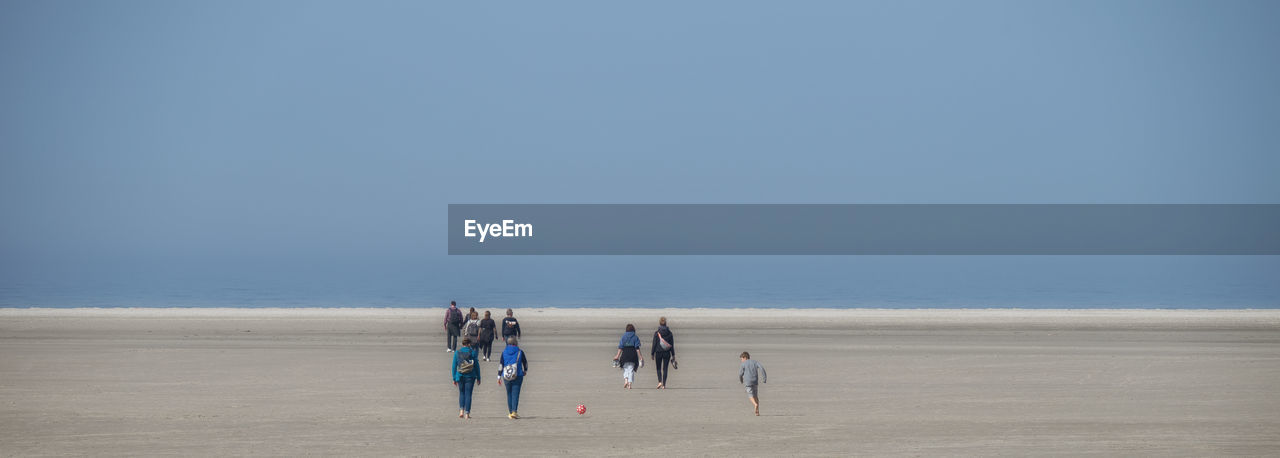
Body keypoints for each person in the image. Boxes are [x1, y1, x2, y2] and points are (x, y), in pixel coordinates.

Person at [497, 336, 529, 419]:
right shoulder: (520, 352)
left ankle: (510, 412)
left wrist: (499, 376)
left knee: (509, 394)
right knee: (515, 394)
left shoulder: (504, 352)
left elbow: (501, 365)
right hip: (517, 375)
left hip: (506, 375)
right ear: (516, 343)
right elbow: (525, 363)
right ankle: (514, 411)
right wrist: (525, 370)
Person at [451, 337, 480, 419]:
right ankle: (467, 413)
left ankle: (461, 411)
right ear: (469, 344)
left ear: (462, 344)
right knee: (468, 394)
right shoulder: (473, 352)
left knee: (461, 393)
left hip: (460, 375)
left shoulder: (457, 352)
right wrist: (478, 377)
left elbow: (454, 366)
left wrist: (454, 378)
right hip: (471, 376)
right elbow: (477, 366)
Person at [613, 324, 644, 389]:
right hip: (633, 355)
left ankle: (626, 380)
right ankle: (629, 384)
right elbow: (637, 348)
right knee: (631, 370)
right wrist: (640, 356)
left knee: (625, 369)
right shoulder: (635, 337)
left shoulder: (623, 337)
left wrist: (617, 356)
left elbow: (620, 347)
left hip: (625, 354)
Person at [739, 351, 767, 416]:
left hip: (748, 382)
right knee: (756, 396)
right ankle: (757, 412)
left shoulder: (743, 364)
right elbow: (762, 368)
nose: (741, 361)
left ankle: (755, 404)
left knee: (750, 395)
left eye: (741, 359)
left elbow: (740, 374)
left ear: (745, 357)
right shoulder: (755, 362)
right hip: (755, 381)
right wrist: (764, 378)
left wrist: (741, 380)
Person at [651, 316, 676, 389]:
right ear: (666, 324)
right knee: (665, 369)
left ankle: (660, 382)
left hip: (658, 352)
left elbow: (654, 344)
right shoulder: (669, 333)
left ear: (659, 323)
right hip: (667, 353)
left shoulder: (657, 333)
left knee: (658, 368)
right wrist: (673, 354)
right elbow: (671, 345)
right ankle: (664, 385)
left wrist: (652, 353)